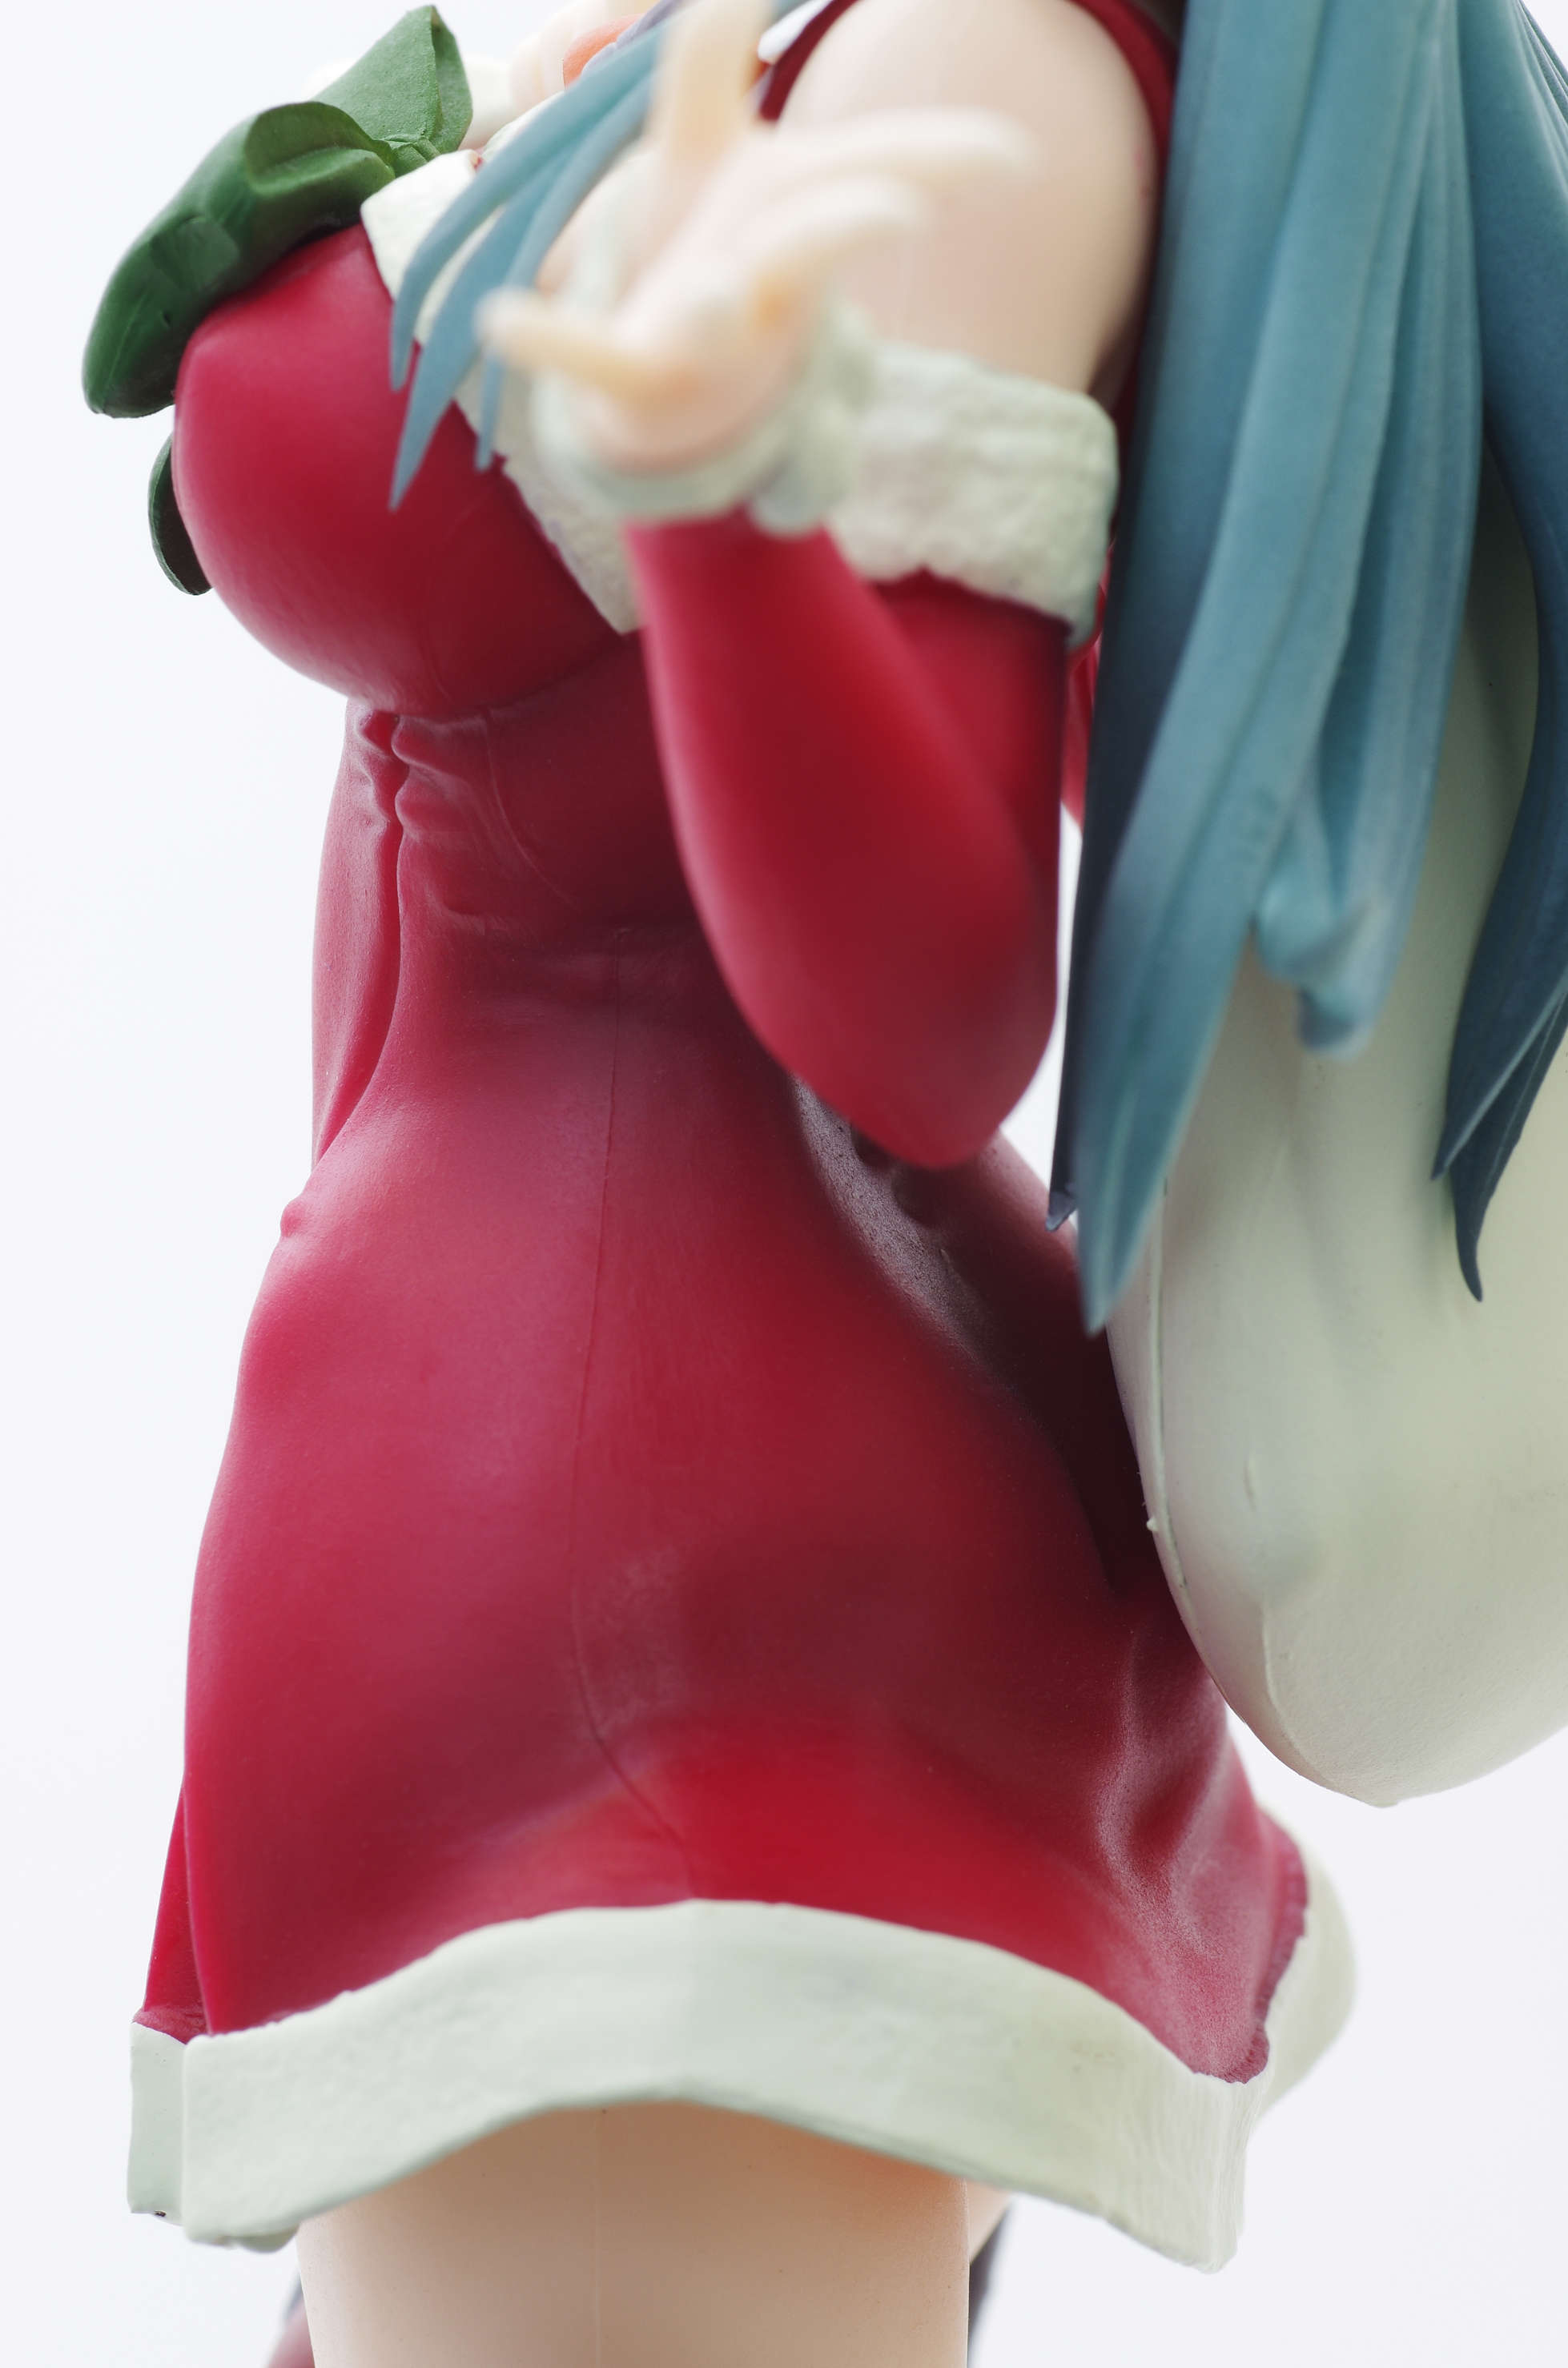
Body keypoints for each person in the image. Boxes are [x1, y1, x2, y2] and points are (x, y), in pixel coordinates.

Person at [83, 1, 1568, 2362]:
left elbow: (935, 997)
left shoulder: (979, 81)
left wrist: (729, 511)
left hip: (639, 1623)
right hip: (537, 1535)